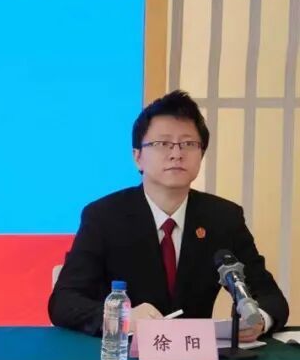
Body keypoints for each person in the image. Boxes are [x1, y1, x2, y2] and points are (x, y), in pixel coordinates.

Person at [49, 90, 288, 340]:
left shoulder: (223, 218)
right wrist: (120, 318)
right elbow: (64, 302)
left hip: (196, 357)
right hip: (122, 357)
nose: (176, 154)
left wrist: (259, 320)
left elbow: (270, 297)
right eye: (162, 144)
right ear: (138, 157)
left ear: (201, 154)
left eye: (188, 144)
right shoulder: (104, 217)